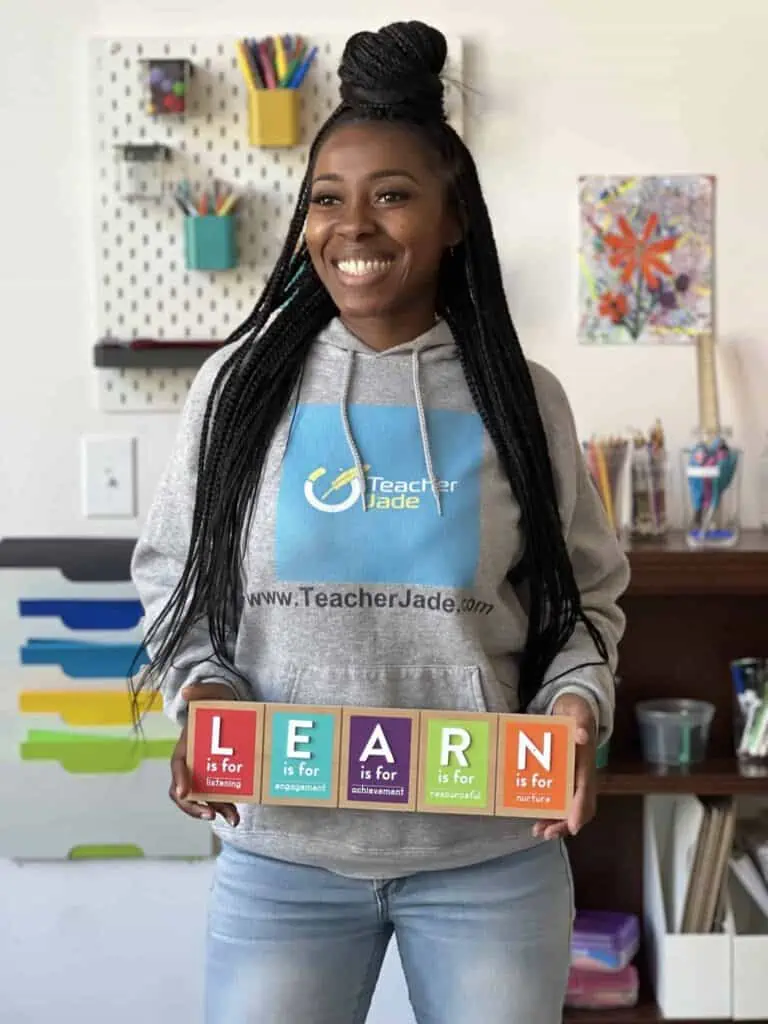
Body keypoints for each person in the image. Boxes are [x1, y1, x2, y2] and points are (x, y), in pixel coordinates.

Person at [131, 20, 630, 1024]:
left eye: (392, 195)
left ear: (454, 220)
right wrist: (205, 694)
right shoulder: (236, 390)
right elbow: (173, 579)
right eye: (328, 199)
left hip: (488, 855)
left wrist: (575, 709)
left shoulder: (522, 399)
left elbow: (580, 606)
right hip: (282, 856)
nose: (352, 228)